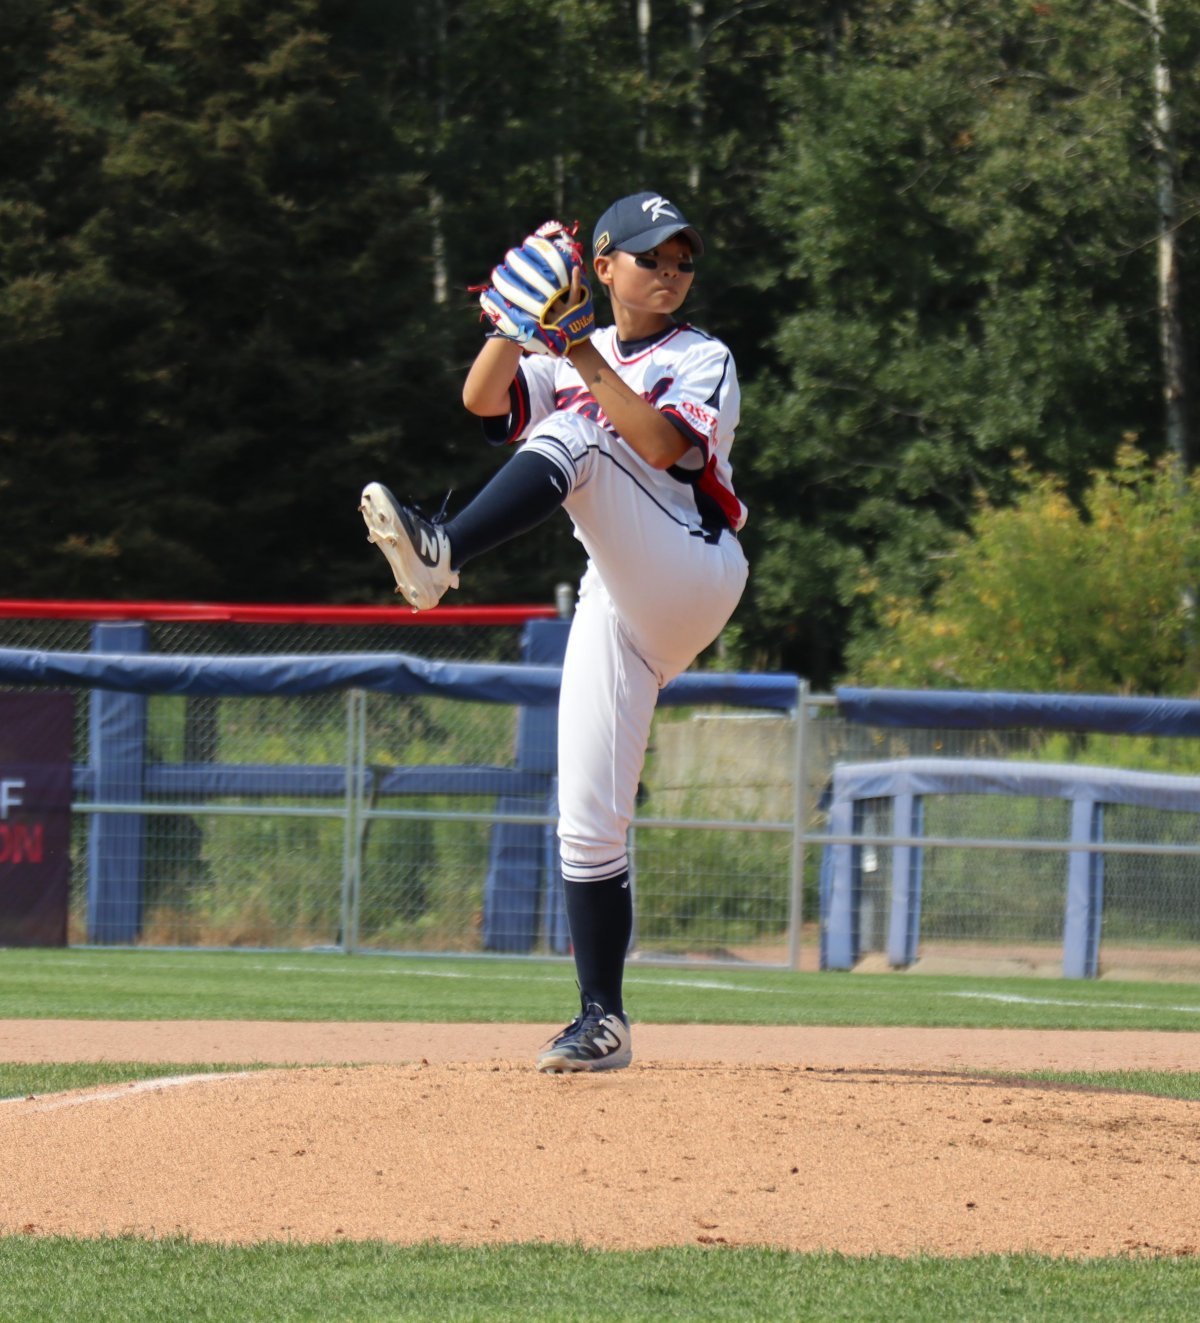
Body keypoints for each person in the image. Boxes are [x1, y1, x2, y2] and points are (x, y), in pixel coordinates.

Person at [359, 191, 748, 1072]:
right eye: (653, 256)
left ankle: (444, 552)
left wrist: (571, 346)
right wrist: (511, 318)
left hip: (691, 569)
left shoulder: (703, 356)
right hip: (616, 595)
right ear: (602, 266)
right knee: (586, 823)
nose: (673, 272)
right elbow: (481, 397)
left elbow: (657, 447)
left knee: (584, 428)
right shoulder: (579, 346)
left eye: (684, 259)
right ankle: (601, 1019)